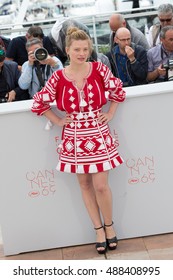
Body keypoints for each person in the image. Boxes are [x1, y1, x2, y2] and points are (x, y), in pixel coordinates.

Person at [31, 27, 126, 254]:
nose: (81, 53)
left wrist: (111, 113)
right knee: (84, 185)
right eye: (77, 49)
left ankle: (110, 226)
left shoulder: (99, 69)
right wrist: (57, 119)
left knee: (101, 186)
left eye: (85, 49)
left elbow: (118, 90)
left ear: (89, 50)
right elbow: (39, 103)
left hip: (98, 132)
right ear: (67, 51)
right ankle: (98, 230)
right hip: (74, 137)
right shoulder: (58, 77)